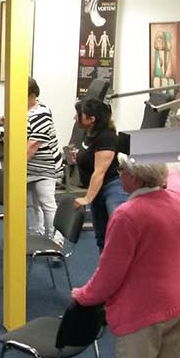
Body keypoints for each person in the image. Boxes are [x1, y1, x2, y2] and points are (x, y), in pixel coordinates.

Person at [72, 156, 180, 358]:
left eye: (121, 170)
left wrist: (82, 295)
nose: (119, 174)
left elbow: (109, 275)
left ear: (134, 177)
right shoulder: (177, 201)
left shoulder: (128, 215)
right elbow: (172, 177)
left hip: (143, 313)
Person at [0, 78, 64, 241]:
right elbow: (4, 119)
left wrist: (15, 171)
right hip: (28, 166)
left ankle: (56, 241)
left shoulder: (41, 114)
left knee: (46, 203)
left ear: (32, 96)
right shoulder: (20, 108)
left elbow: (31, 147)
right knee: (31, 203)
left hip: (45, 167)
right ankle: (35, 235)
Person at [70, 98, 128, 251]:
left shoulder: (106, 137)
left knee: (119, 235)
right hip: (98, 189)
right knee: (102, 238)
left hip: (112, 187)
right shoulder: (90, 134)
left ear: (91, 119)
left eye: (79, 115)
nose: (75, 117)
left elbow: (99, 172)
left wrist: (87, 198)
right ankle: (105, 265)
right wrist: (80, 157)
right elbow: (91, 155)